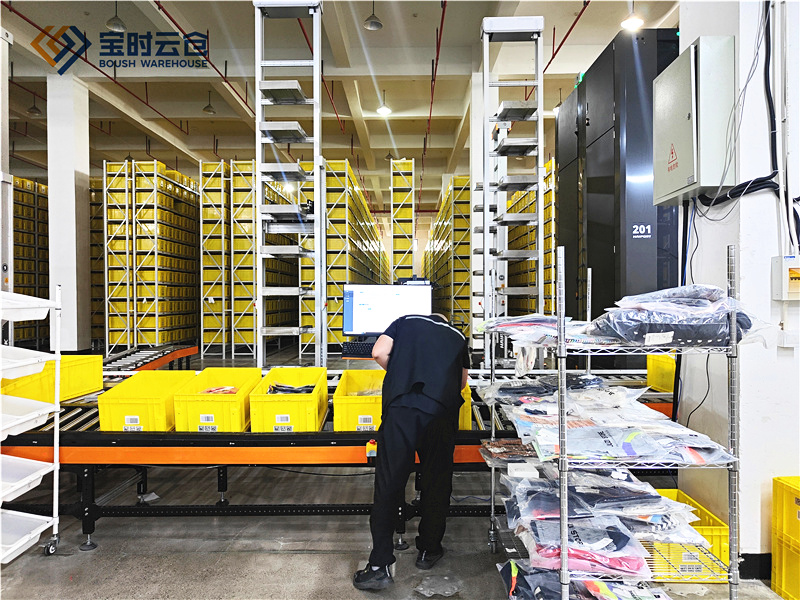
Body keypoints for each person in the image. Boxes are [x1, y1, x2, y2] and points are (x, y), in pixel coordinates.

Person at [353, 313, 470, 591]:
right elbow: (462, 383)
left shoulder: (405, 321)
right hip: (441, 413)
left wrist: (402, 373)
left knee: (389, 483)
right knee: (436, 481)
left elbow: (378, 352)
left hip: (402, 410)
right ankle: (429, 549)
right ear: (446, 321)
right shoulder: (457, 337)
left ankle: (379, 566)